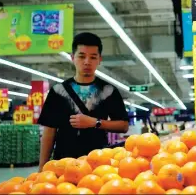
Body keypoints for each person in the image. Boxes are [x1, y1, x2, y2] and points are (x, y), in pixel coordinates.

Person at [38, 32, 129, 171]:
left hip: (98, 163)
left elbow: (123, 126)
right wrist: (42, 169)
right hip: (63, 164)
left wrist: (95, 122)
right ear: (72, 57)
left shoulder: (109, 91)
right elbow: (49, 131)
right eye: (81, 56)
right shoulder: (57, 91)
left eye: (93, 57)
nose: (87, 61)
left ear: (100, 59)